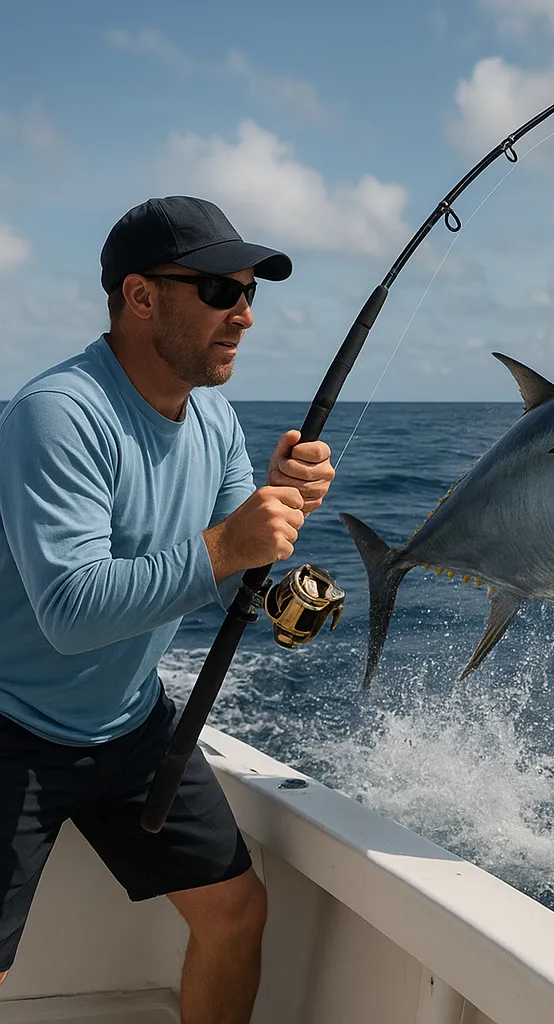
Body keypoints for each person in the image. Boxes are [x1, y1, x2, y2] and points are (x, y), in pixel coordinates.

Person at [0, 196, 335, 1023]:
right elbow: (72, 613)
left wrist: (279, 536)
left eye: (251, 293)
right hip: (11, 727)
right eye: (221, 292)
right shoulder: (59, 413)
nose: (246, 317)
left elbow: (229, 586)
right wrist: (230, 545)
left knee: (237, 912)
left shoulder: (215, 421)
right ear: (141, 297)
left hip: (131, 725)